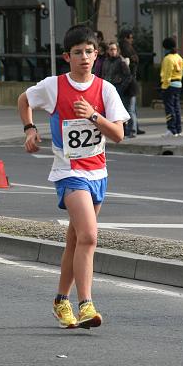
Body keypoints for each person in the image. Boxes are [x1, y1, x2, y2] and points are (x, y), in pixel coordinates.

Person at [17, 25, 129, 329]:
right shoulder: (54, 86)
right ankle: (86, 305)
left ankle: (60, 300)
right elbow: (24, 100)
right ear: (67, 56)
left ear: (97, 55)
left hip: (98, 173)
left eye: (89, 52)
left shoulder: (106, 90)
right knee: (89, 237)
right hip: (69, 173)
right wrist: (30, 129)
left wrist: (93, 115)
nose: (84, 57)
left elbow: (118, 134)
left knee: (75, 241)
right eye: (77, 52)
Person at [101, 42, 135, 137]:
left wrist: (121, 87)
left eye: (114, 49)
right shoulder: (106, 61)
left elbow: (128, 76)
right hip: (109, 89)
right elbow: (104, 75)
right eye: (110, 49)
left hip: (120, 89)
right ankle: (120, 131)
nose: (112, 51)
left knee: (127, 111)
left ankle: (132, 130)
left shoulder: (121, 61)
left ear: (117, 50)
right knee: (114, 112)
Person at [118, 29, 143, 136]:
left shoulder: (125, 51)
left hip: (128, 82)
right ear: (126, 38)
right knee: (130, 108)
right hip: (130, 82)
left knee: (129, 108)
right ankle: (133, 128)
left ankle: (132, 129)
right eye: (130, 37)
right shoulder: (126, 50)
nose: (132, 39)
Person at [160, 37, 183, 137]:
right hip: (178, 84)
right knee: (176, 107)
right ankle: (178, 129)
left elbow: (167, 74)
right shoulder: (179, 57)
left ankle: (171, 129)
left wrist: (164, 87)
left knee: (169, 108)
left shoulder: (167, 59)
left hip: (169, 86)